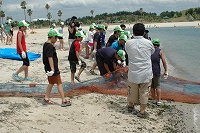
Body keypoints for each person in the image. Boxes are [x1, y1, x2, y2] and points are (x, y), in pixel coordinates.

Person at [125, 23, 155, 118]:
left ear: (133, 32)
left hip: (133, 71)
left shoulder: (128, 43)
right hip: (145, 72)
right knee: (144, 92)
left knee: (132, 89)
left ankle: (130, 106)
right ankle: (142, 111)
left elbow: (127, 52)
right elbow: (152, 52)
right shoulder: (149, 43)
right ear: (143, 32)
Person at [43, 29, 71, 107]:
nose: (57, 40)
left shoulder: (46, 44)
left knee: (51, 83)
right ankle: (63, 100)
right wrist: (52, 69)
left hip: (48, 68)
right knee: (59, 83)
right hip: (53, 69)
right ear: (52, 37)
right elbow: (50, 57)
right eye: (56, 38)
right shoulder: (49, 46)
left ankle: (46, 97)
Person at [150, 38, 168, 106]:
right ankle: (159, 100)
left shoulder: (150, 50)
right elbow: (163, 61)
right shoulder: (160, 51)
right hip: (157, 70)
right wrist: (166, 70)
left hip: (149, 70)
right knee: (157, 85)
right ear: (159, 45)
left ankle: (154, 99)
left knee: (152, 86)